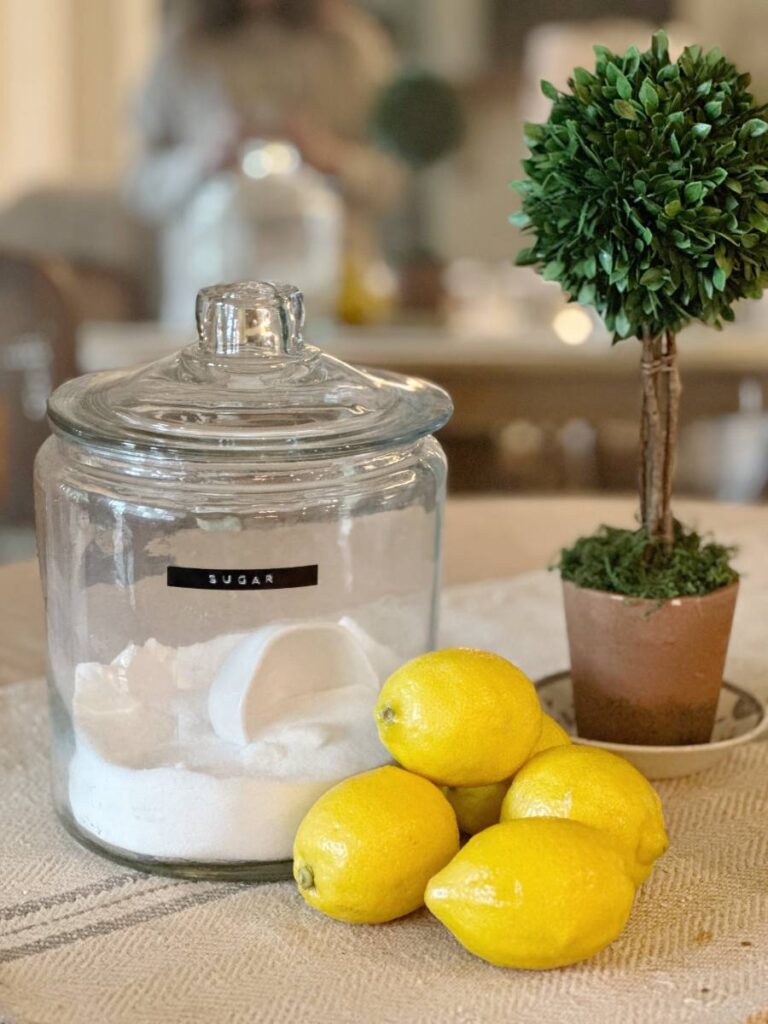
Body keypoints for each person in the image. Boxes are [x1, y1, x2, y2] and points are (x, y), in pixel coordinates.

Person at [124, 0, 407, 321]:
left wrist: (332, 158)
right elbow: (140, 189)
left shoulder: (349, 46)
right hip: (210, 307)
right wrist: (202, 160)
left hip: (332, 305)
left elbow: (393, 177)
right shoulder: (184, 48)